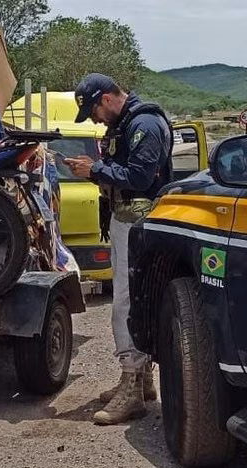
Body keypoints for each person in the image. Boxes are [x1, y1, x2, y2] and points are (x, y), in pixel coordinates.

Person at [66, 73, 173, 425]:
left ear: (109, 97)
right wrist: (95, 171)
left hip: (137, 222)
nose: (96, 118)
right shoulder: (130, 123)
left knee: (127, 302)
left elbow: (140, 178)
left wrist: (95, 169)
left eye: (95, 110)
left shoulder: (143, 123)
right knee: (131, 299)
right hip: (127, 220)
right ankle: (141, 381)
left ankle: (132, 385)